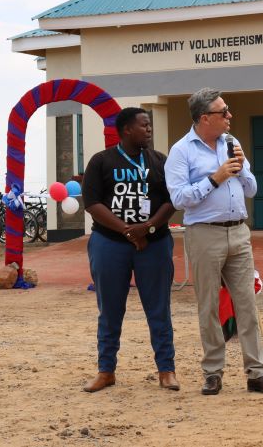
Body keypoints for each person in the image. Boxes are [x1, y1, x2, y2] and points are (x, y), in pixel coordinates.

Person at [165, 87, 263, 395]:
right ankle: (213, 373)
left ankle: (257, 373)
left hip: (239, 232)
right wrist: (214, 178)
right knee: (209, 307)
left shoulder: (232, 143)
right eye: (223, 111)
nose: (230, 115)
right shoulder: (181, 151)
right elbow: (179, 198)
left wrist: (240, 171)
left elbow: (252, 189)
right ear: (205, 118)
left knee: (247, 305)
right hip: (204, 233)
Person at [81, 107, 178, 393]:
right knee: (110, 310)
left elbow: (172, 200)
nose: (149, 130)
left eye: (149, 125)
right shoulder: (101, 161)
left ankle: (166, 370)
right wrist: (126, 230)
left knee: (159, 309)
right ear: (126, 130)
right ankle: (106, 371)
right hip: (109, 244)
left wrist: (147, 228)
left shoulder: (159, 161)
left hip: (154, 244)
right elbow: (92, 203)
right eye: (144, 125)